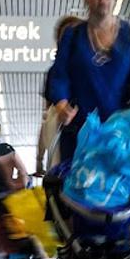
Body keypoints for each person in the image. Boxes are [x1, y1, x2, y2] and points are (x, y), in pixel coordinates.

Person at [47, 0, 130, 160]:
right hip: (79, 135)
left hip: (119, 137)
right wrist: (61, 104)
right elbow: (59, 76)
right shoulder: (72, 36)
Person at [37, 17, 84, 174]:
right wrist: (39, 157)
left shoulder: (95, 69)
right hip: (63, 142)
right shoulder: (54, 74)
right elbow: (47, 118)